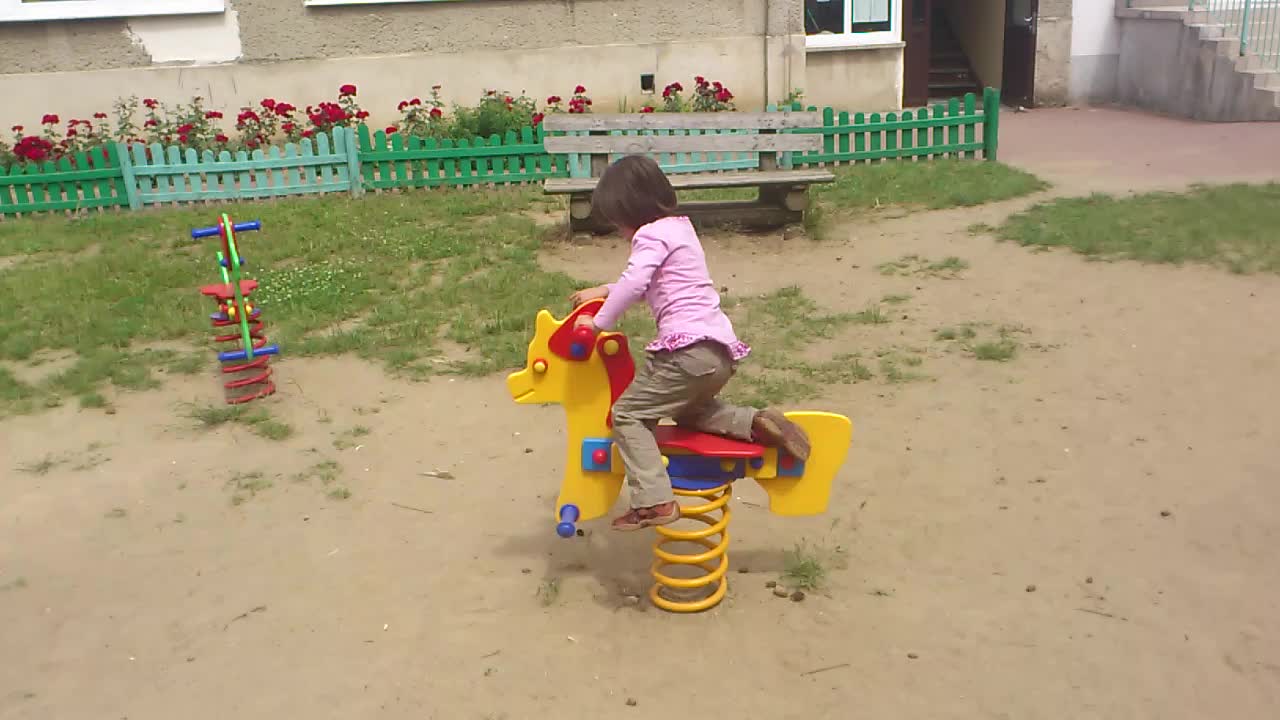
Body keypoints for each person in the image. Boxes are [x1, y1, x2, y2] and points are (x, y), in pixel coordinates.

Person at [569, 155, 811, 532]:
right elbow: (650, 282)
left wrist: (597, 323)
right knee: (689, 412)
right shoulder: (681, 229)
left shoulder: (649, 235)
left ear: (629, 210)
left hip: (685, 354)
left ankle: (654, 502)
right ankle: (755, 423)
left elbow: (635, 283)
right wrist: (604, 289)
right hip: (719, 352)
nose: (619, 231)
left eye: (617, 221)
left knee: (628, 415)